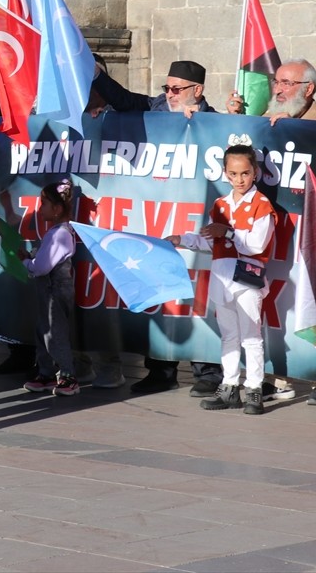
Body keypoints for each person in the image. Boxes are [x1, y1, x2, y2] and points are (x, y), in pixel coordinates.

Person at [94, 60, 224, 395]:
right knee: (161, 287)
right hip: (159, 215)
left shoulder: (215, 121)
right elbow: (123, 101)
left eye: (177, 89)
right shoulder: (155, 107)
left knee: (197, 295)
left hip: (195, 217)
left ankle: (207, 370)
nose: (169, 95)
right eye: (166, 87)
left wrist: (203, 125)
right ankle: (160, 369)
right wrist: (97, 76)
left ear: (198, 90)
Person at [166, 138, 275, 416]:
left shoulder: (261, 204)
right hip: (222, 277)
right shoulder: (220, 205)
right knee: (228, 335)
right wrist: (182, 239)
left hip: (247, 279)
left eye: (245, 173)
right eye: (234, 174)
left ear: (255, 172)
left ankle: (254, 390)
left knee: (251, 337)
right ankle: (228, 387)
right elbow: (207, 241)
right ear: (226, 173)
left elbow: (257, 245)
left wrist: (225, 232)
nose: (240, 179)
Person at [22, 180, 80, 396]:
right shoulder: (56, 233)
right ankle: (45, 373)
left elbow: (42, 267)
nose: (40, 208)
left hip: (55, 290)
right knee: (43, 330)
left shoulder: (60, 234)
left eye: (44, 203)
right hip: (48, 291)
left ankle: (68, 376)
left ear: (56, 209)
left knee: (55, 333)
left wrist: (25, 262)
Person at [226, 59, 316, 124]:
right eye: (276, 82)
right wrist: (235, 119)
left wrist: (292, 129)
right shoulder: (266, 118)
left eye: (286, 83)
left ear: (308, 89)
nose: (277, 90)